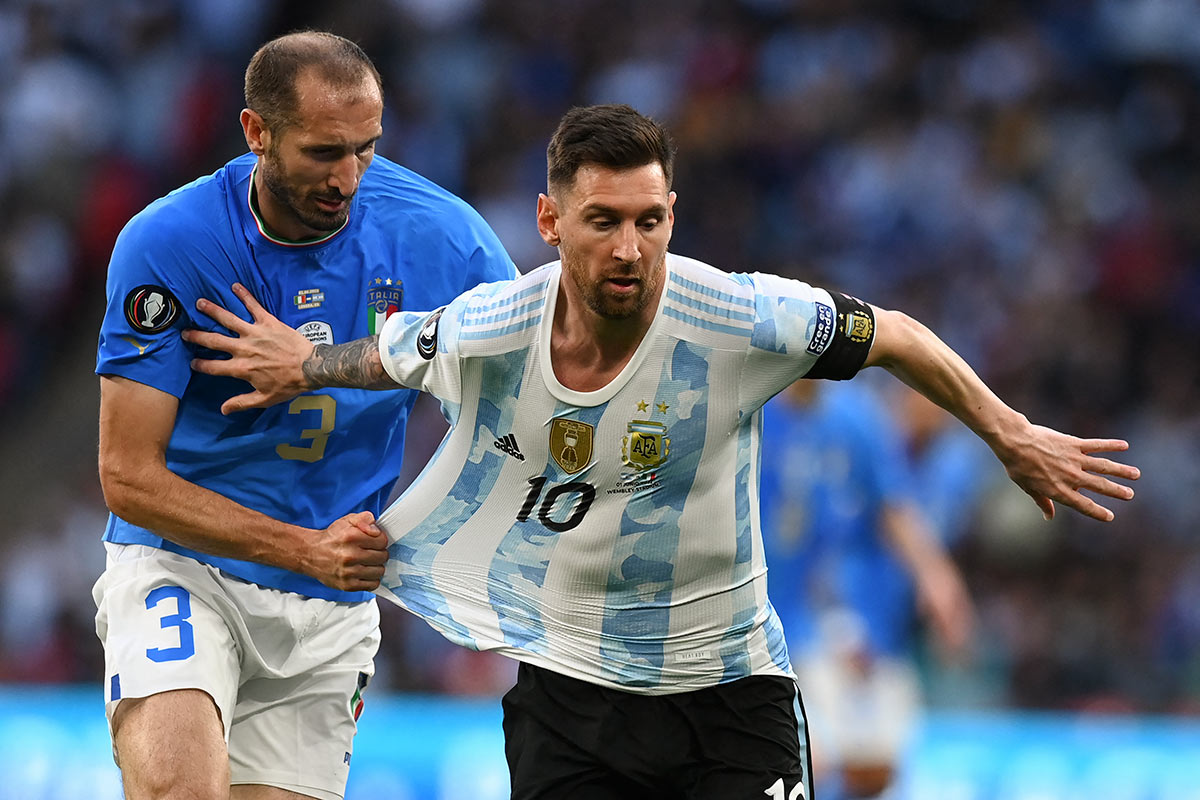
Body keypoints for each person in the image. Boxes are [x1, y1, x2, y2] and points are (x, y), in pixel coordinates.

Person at [186, 103, 1139, 799]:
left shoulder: (736, 315)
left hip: (731, 696)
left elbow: (892, 333)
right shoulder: (491, 325)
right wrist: (302, 363)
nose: (630, 248)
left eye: (649, 220)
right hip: (569, 694)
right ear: (551, 223)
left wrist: (1011, 433)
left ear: (672, 215)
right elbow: (387, 354)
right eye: (603, 221)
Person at [92, 31, 516, 800]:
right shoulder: (172, 242)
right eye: (324, 152)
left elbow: (526, 389)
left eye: (366, 148)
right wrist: (304, 549)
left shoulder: (443, 237)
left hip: (331, 608)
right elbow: (127, 476)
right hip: (183, 567)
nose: (347, 177)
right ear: (257, 132)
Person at [759, 378, 976, 799]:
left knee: (871, 767)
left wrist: (938, 579)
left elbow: (891, 504)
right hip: (761, 615)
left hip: (837, 624)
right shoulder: (750, 400)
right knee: (807, 758)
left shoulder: (855, 416)